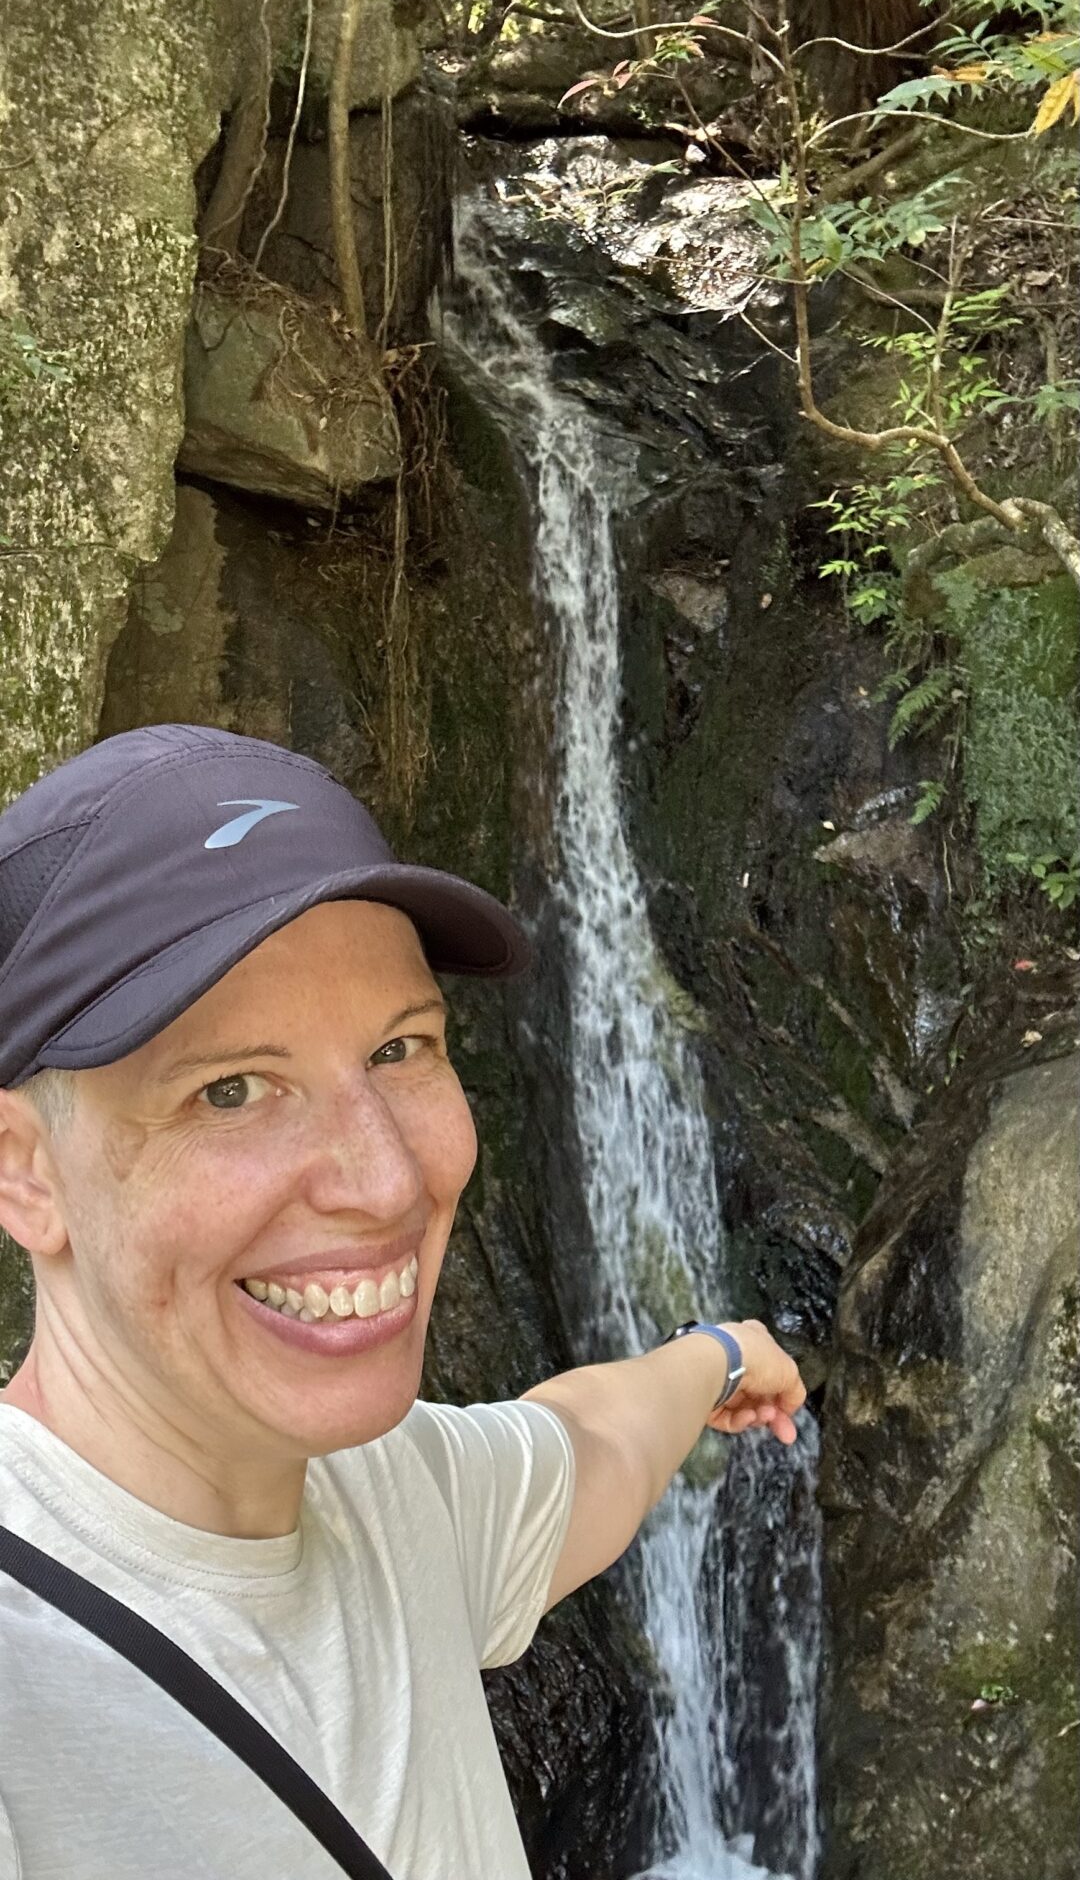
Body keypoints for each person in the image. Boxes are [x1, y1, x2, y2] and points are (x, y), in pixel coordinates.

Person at [0, 723, 806, 1880]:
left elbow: (596, 1438)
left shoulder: (397, 1495)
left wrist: (719, 1354)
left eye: (399, 1049)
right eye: (232, 1089)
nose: (385, 1181)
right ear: (24, 1172)